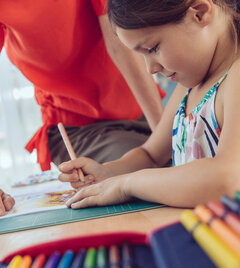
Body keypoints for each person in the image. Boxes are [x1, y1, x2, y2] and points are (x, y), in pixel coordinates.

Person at [58, 0, 240, 209]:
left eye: (153, 48)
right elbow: (151, 156)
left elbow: (227, 179)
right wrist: (107, 173)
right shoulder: (191, 85)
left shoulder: (235, 77)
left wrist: (126, 184)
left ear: (199, 13)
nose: (150, 68)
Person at [0, 1, 165, 172]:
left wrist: (164, 133)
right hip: (77, 130)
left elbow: (119, 43)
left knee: (179, 163)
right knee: (147, 174)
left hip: (141, 110)